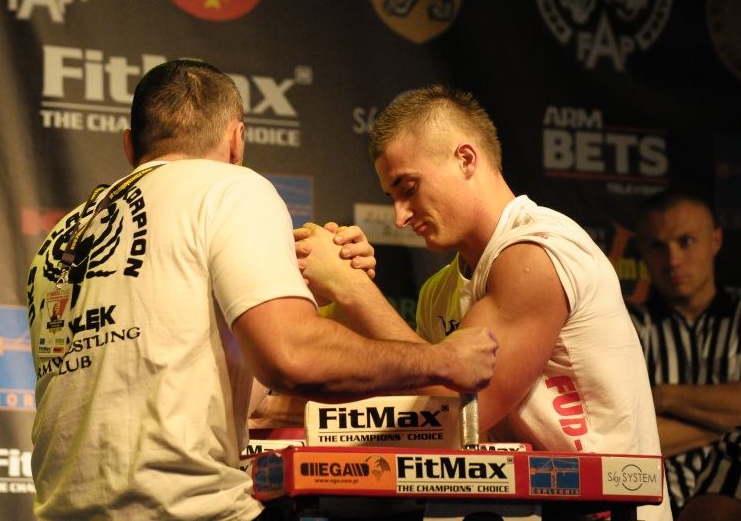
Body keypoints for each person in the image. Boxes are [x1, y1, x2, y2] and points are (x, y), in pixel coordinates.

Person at [26, 61, 499, 521]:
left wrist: (315, 298)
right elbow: (292, 358)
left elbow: (219, 385)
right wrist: (442, 360)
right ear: (237, 139)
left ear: (130, 146)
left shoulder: (64, 237)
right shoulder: (229, 189)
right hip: (188, 510)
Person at [296, 85, 672, 520]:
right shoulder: (438, 290)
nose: (400, 216)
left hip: (607, 511)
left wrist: (354, 290)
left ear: (465, 159)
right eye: (392, 198)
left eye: (409, 188)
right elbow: (424, 421)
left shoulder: (536, 253)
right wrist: (339, 298)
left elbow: (459, 414)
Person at [629, 189, 741, 520]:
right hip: (650, 507)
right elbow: (621, 438)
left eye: (686, 242)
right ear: (642, 252)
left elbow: (643, 428)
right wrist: (730, 429)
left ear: (715, 242)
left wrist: (662, 397)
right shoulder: (626, 324)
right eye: (657, 246)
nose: (673, 260)